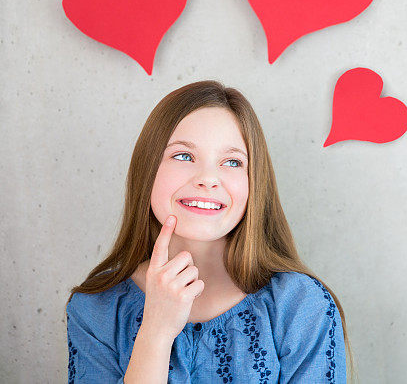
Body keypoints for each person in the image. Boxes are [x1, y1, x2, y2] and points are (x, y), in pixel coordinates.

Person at [64, 80, 353, 383]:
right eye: (184, 156)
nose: (208, 178)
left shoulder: (301, 306)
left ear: (254, 182)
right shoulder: (94, 310)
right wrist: (156, 332)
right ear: (147, 169)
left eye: (232, 162)